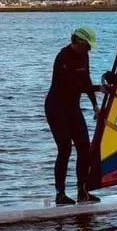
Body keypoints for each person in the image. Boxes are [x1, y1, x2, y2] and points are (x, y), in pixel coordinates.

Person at [44, 26, 105, 205]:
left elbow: (86, 80)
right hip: (56, 108)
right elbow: (74, 86)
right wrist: (99, 89)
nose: (89, 50)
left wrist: (95, 105)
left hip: (72, 108)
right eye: (87, 46)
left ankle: (82, 192)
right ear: (78, 42)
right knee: (65, 149)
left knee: (85, 150)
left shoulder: (84, 55)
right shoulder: (62, 58)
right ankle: (60, 194)